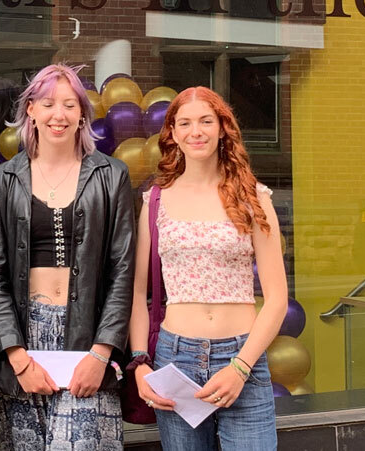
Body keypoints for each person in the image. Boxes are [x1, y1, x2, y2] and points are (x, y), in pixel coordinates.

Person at [0, 64, 136, 449]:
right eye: (48, 103)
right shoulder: (5, 180)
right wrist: (17, 357)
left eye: (70, 104)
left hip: (87, 336)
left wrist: (102, 354)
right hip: (23, 336)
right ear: (31, 109)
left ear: (83, 113)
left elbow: (122, 270)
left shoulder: (111, 175)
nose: (59, 114)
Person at [128, 87, 287, 450]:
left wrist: (241, 368)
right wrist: (139, 363)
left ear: (221, 128)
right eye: (184, 123)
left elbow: (277, 299)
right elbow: (138, 293)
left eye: (205, 121)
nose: (195, 131)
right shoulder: (154, 200)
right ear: (172, 133)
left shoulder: (253, 198)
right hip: (175, 359)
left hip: (241, 357)